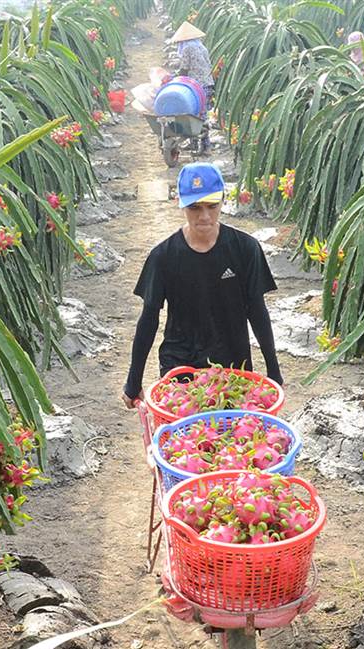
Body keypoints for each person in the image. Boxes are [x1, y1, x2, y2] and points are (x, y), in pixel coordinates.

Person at [122, 163, 283, 409]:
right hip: (180, 366)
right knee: (184, 440)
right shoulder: (163, 257)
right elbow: (149, 318)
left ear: (223, 201)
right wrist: (133, 382)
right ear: (181, 203)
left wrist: (274, 370)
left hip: (233, 366)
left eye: (212, 206)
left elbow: (257, 311)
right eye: (195, 207)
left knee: (230, 438)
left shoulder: (245, 249)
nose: (204, 216)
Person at [171, 20, 214, 153]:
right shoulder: (201, 46)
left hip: (195, 86)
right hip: (207, 83)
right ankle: (204, 145)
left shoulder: (187, 48)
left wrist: (176, 79)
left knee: (192, 113)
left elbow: (184, 68)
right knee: (202, 114)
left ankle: (198, 145)